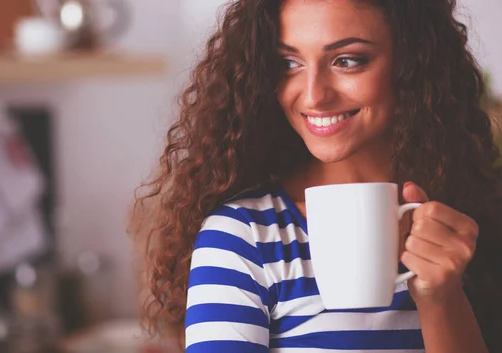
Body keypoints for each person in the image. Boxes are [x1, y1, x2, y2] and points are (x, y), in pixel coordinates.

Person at [131, 0, 502, 352]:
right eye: (289, 63)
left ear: (413, 64)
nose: (313, 96)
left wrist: (442, 299)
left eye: (347, 60)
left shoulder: (469, 224)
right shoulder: (244, 237)